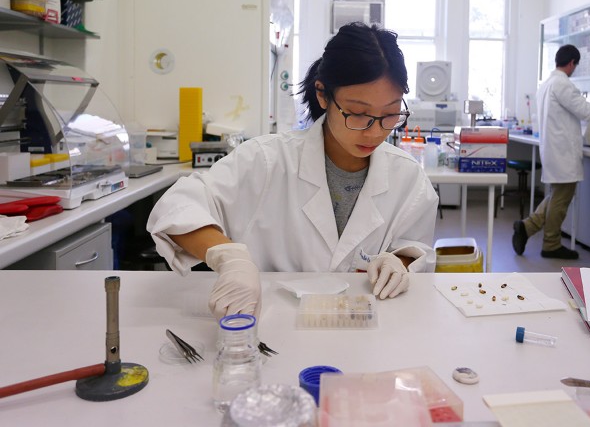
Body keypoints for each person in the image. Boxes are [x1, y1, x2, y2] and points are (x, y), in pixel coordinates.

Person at [147, 22, 439, 319]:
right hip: (269, 329)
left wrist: (397, 263)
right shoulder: (265, 160)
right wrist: (229, 258)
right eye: (359, 114)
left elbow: (413, 249)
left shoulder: (408, 178)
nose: (375, 132)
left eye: (390, 114)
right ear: (323, 95)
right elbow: (178, 205)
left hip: (364, 332)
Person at [512, 44, 590, 259]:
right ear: (572, 63)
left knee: (556, 195)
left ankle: (527, 227)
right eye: (576, 65)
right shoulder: (563, 84)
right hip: (562, 152)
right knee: (561, 199)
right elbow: (585, 110)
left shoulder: (546, 84)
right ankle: (551, 245)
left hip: (553, 149)